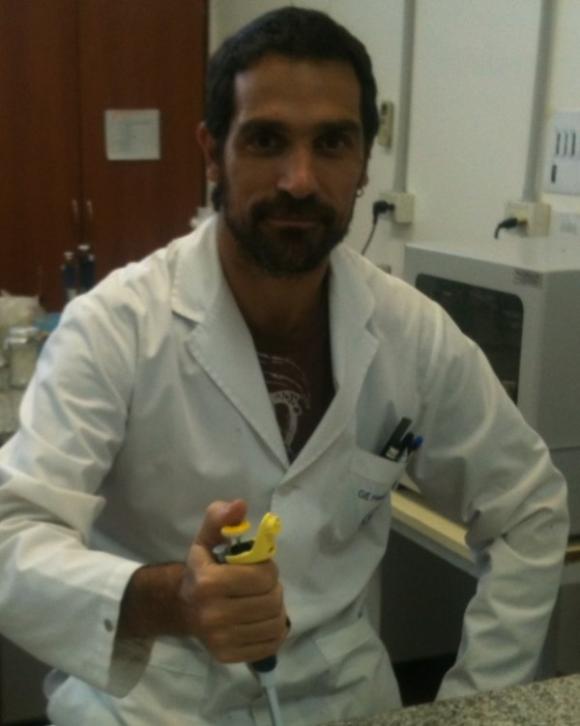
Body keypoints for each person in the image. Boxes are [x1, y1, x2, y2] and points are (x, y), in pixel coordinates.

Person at [0, 6, 569, 725]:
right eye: (267, 140)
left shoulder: (410, 331)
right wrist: (171, 599)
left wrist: (474, 706)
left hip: (343, 700)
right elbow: (12, 534)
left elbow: (528, 508)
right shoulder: (116, 326)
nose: (300, 180)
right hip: (154, 702)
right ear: (213, 153)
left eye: (332, 142)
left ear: (363, 162)